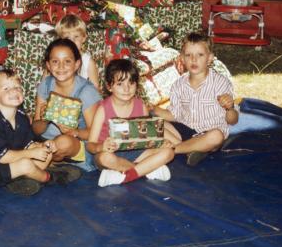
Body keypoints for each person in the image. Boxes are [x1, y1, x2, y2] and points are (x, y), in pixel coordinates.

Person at [0, 69, 80, 196]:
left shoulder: (21, 117)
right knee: (26, 164)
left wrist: (43, 146)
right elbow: (3, 157)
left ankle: (23, 180)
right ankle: (50, 178)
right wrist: (31, 153)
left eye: (17, 87)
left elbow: (28, 143)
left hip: (15, 163)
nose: (14, 90)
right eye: (6, 88)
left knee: (45, 153)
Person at [152, 32, 238, 166]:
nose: (193, 59)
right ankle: (190, 149)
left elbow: (233, 121)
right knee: (151, 124)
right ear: (182, 58)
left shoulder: (221, 83)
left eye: (200, 55)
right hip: (183, 130)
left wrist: (230, 108)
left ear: (210, 58)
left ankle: (174, 149)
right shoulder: (178, 85)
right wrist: (153, 109)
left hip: (208, 133)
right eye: (188, 55)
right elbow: (174, 115)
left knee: (216, 136)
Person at [87, 59, 175, 187]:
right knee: (104, 158)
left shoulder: (141, 105)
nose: (126, 88)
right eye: (120, 84)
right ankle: (147, 169)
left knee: (169, 152)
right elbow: (90, 145)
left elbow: (147, 138)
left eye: (131, 83)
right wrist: (101, 147)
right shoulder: (103, 109)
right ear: (109, 86)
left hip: (137, 152)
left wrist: (161, 143)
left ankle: (126, 175)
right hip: (111, 155)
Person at [32, 38, 102, 172]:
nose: (61, 66)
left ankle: (44, 166)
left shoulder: (86, 91)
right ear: (48, 65)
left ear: (77, 64)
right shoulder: (45, 85)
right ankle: (50, 167)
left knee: (62, 142)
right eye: (55, 61)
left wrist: (75, 132)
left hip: (74, 144)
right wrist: (45, 120)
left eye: (67, 61)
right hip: (45, 142)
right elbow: (36, 129)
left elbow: (96, 133)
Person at [55, 14, 100, 90]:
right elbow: (44, 84)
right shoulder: (55, 58)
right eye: (67, 38)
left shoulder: (87, 62)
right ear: (60, 40)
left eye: (76, 36)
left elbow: (95, 88)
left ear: (83, 38)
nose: (72, 41)